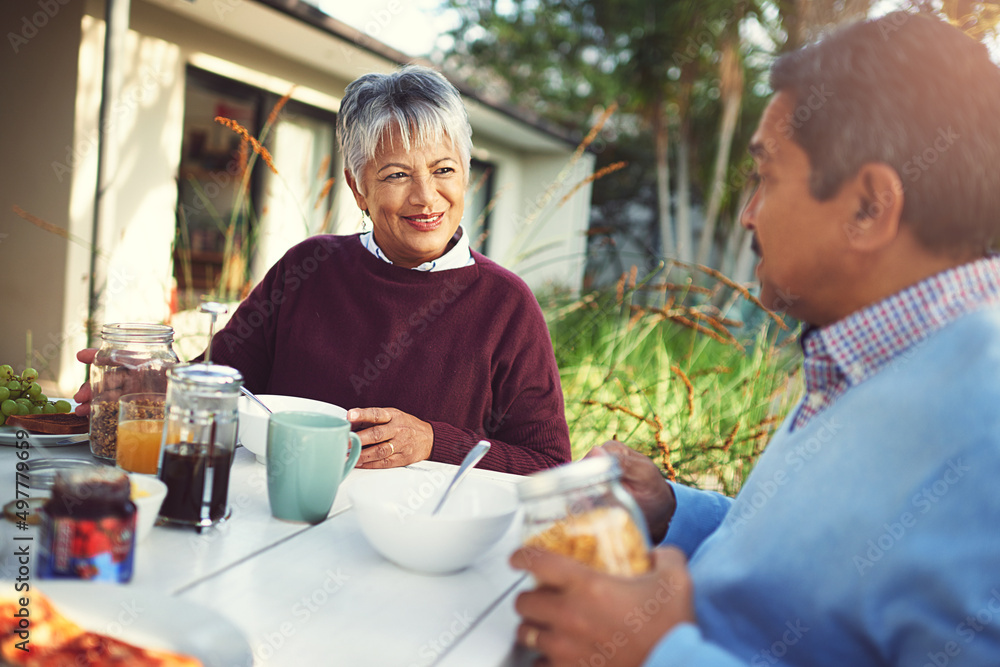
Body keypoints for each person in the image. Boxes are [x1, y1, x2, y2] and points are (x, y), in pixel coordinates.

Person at [510, 12, 1000, 666]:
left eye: (766, 178)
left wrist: (657, 652)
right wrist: (674, 510)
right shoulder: (868, 353)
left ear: (869, 207)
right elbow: (818, 571)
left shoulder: (983, 427)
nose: (747, 215)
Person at [75, 65, 571, 475]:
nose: (426, 197)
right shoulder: (307, 269)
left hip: (414, 553)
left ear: (464, 173)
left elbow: (547, 465)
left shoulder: (506, 305)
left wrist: (433, 442)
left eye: (443, 170)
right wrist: (144, 386)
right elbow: (216, 387)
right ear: (358, 189)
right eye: (396, 175)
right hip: (275, 525)